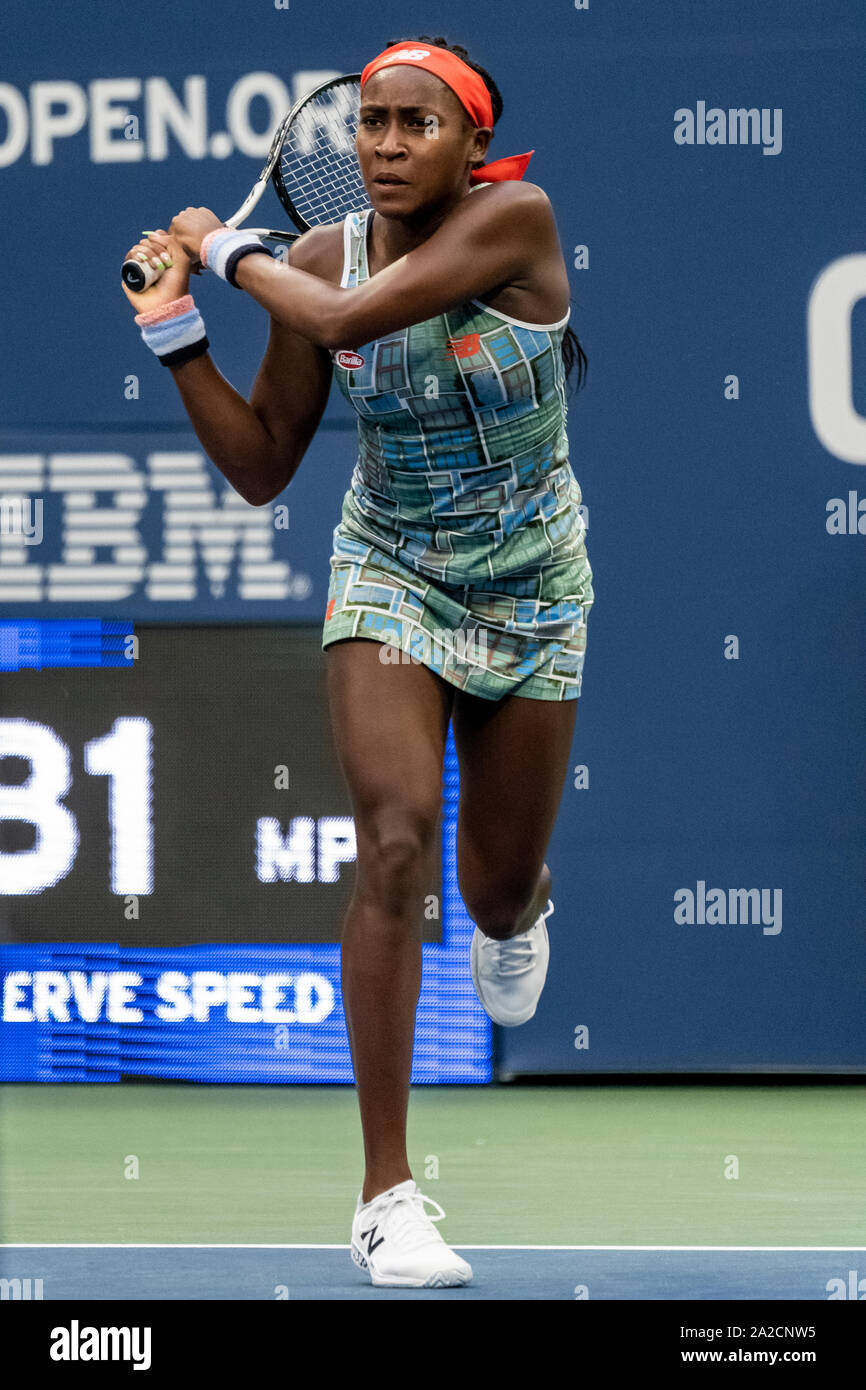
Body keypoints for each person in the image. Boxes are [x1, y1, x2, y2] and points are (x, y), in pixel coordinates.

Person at [121, 35, 594, 1291]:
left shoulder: (518, 222)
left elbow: (340, 317)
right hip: (387, 566)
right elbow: (266, 459)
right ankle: (385, 1194)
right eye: (369, 124)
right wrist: (176, 329)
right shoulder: (318, 256)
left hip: (534, 585)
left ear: (471, 147)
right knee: (391, 837)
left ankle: (519, 907)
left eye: (414, 125)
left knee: (490, 891)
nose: (383, 145)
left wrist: (221, 252)